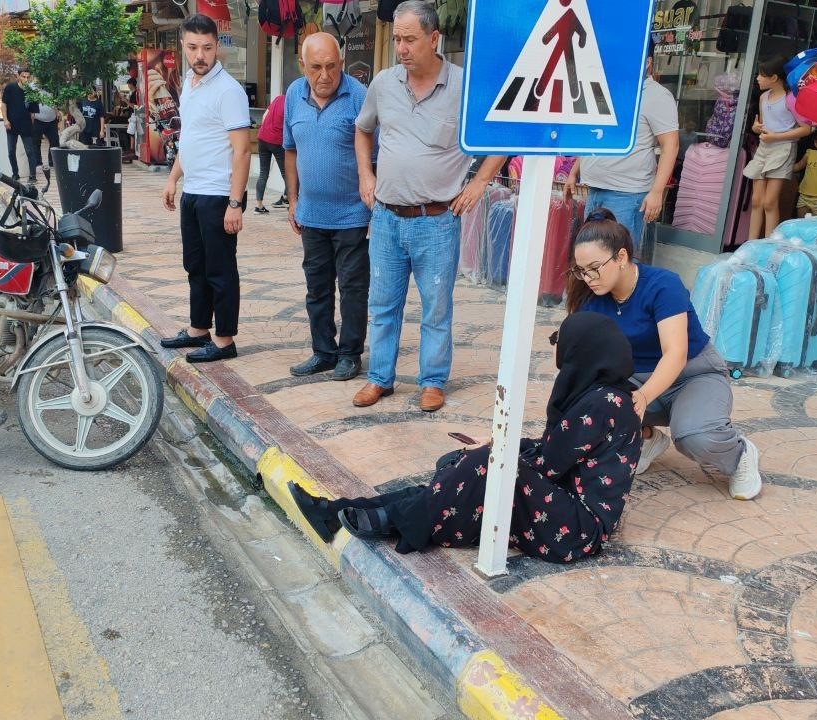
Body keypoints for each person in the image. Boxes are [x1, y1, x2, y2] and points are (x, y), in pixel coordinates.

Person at [289, 311, 642, 563]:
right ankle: (338, 511)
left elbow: (548, 465)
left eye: (558, 341)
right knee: (465, 466)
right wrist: (492, 449)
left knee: (484, 468)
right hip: (560, 507)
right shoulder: (602, 395)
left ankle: (394, 522)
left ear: (582, 349)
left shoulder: (603, 403)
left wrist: (492, 455)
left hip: (577, 529)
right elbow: (553, 451)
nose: (556, 351)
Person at [352, 0, 506, 413]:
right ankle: (379, 378)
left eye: (409, 39)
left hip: (437, 221)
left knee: (436, 306)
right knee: (382, 302)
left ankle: (433, 381)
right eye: (397, 39)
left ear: (434, 38)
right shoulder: (383, 83)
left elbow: (500, 134)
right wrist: (366, 176)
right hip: (386, 217)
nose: (401, 48)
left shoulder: (464, 86)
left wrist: (479, 183)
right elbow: (363, 131)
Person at [567, 209, 762, 500]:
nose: (588, 278)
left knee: (695, 437)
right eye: (581, 270)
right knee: (588, 401)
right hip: (634, 378)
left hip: (693, 375)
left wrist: (643, 398)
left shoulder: (662, 284)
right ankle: (646, 438)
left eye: (595, 267)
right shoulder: (591, 299)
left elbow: (676, 352)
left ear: (621, 257)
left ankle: (739, 454)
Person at [159, 13, 252, 363]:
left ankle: (225, 340)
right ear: (183, 46)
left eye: (208, 48)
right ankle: (199, 329)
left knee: (220, 269)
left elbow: (243, 151)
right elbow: (191, 138)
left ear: (217, 47)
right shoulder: (189, 83)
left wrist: (235, 202)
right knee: (195, 265)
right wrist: (173, 178)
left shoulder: (228, 91)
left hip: (218, 195)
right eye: (194, 47)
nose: (201, 55)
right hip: (193, 192)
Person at [282, 32, 372, 382]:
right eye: (316, 67)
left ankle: (350, 355)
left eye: (331, 67)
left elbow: (373, 157)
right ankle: (323, 351)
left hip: (351, 215)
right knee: (316, 288)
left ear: (342, 64)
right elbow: (290, 149)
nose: (324, 75)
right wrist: (293, 199)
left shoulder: (359, 97)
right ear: (302, 65)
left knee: (352, 289)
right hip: (311, 216)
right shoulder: (293, 94)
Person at [563, 47, 678, 262]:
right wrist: (574, 171)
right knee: (593, 257)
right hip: (595, 190)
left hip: (627, 195)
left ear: (648, 62)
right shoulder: (611, 90)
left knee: (619, 261)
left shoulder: (657, 96)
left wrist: (656, 192)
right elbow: (597, 136)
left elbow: (671, 145)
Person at [744, 56, 812, 239]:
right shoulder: (763, 97)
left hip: (783, 150)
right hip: (764, 148)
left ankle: (768, 244)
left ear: (774, 78)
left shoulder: (791, 99)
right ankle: (750, 244)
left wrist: (776, 136)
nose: (757, 78)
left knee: (769, 202)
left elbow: (806, 129)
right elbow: (763, 125)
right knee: (756, 200)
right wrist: (756, 127)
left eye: (761, 75)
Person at [1, 69, 41, 182]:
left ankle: (33, 176)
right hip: (11, 125)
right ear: (18, 76)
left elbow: (32, 113)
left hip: (26, 125)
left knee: (30, 151)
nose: (26, 79)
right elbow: (4, 105)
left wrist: (30, 126)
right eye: (23, 76)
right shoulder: (10, 88)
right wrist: (5, 120)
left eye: (28, 77)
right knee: (11, 151)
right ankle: (15, 173)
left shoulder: (32, 92)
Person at [254, 93, 288, 214]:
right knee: (288, 173)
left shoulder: (278, 98)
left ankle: (259, 206)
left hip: (262, 137)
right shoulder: (291, 103)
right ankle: (289, 200)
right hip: (277, 141)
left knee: (263, 173)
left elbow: (264, 117)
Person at [31, 90, 60, 172]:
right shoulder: (32, 88)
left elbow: (53, 102)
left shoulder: (51, 87)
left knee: (55, 140)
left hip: (52, 120)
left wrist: (57, 112)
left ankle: (52, 162)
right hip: (38, 120)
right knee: (36, 142)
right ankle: (38, 162)